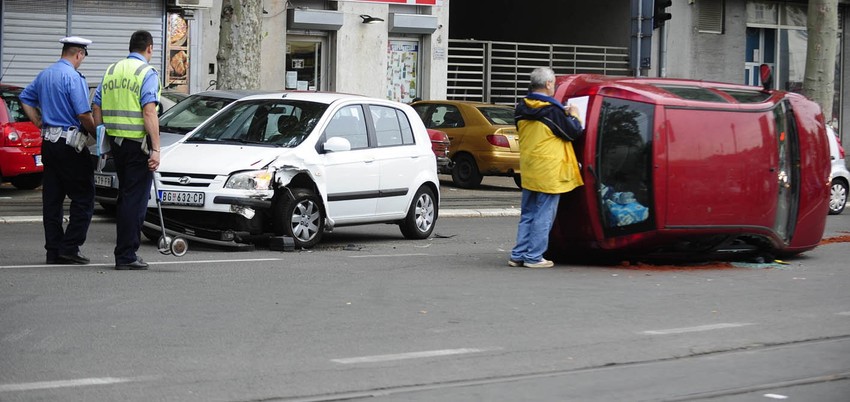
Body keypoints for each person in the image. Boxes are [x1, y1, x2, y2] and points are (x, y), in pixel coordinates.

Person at [20, 37, 98, 265]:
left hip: (49, 145)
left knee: (52, 200)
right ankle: (70, 247)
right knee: (84, 197)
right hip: (70, 146)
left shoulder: (45, 74)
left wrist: (38, 120)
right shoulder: (73, 77)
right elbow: (83, 114)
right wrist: (96, 135)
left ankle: (53, 249)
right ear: (79, 54)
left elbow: (25, 97)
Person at [92, 30, 161, 271]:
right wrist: (156, 149)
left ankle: (124, 251)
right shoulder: (147, 73)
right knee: (135, 200)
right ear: (149, 49)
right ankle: (126, 254)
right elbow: (149, 111)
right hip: (136, 146)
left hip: (117, 144)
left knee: (125, 198)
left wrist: (103, 136)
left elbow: (96, 104)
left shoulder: (112, 70)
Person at [509, 67, 583, 268]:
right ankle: (534, 257)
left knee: (528, 213)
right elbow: (573, 132)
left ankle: (518, 254)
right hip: (549, 170)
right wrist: (574, 115)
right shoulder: (552, 111)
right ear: (549, 84)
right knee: (544, 214)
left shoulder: (521, 108)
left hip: (530, 168)